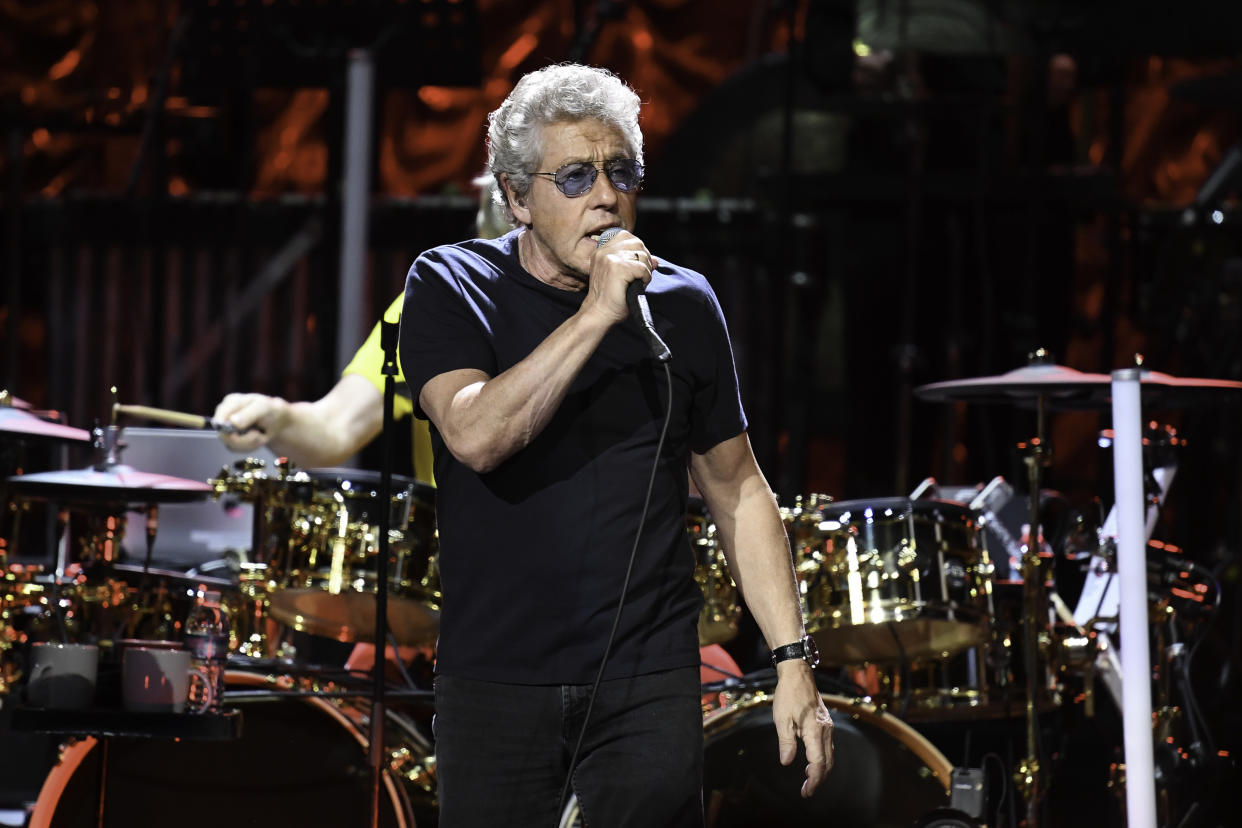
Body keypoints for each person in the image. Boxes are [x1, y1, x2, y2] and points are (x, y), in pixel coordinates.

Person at [400, 63, 834, 828]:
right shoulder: (452, 284)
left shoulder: (684, 303)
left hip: (649, 674)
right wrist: (597, 315)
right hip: (498, 677)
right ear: (515, 197)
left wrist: (792, 663)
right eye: (574, 177)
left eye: (620, 171)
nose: (606, 196)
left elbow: (737, 487)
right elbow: (474, 435)